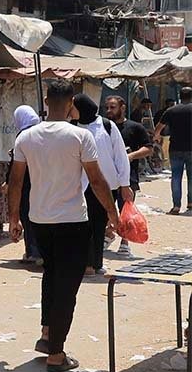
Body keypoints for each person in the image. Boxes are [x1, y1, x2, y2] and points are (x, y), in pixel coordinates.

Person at [8, 79, 118, 372]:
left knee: (51, 276)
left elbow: (16, 181)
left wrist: (13, 219)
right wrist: (113, 214)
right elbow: (96, 181)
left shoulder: (26, 138)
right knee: (67, 286)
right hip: (72, 221)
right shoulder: (80, 137)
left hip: (40, 221)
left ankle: (47, 335)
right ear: (71, 105)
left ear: (46, 102)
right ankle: (56, 355)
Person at [73, 94, 130, 276]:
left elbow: (120, 156)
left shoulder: (107, 126)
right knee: (84, 225)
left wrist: (124, 184)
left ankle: (96, 262)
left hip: (105, 185)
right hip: (80, 186)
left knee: (99, 225)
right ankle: (86, 263)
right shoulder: (72, 127)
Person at [105, 95, 152, 258]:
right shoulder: (105, 127)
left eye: (113, 107)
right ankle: (108, 235)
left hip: (128, 177)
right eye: (107, 108)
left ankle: (124, 242)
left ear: (122, 107)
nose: (109, 111)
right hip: (107, 177)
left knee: (126, 211)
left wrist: (130, 157)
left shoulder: (135, 127)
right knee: (105, 209)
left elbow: (149, 148)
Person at [4, 105, 42, 264]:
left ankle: (33, 252)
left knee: (27, 216)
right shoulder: (42, 132)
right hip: (41, 182)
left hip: (25, 183)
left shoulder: (23, 136)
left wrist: (8, 182)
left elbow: (16, 164)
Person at [156, 87, 192, 214]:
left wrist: (156, 138)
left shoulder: (171, 110)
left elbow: (159, 127)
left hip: (175, 148)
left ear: (180, 96)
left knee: (176, 177)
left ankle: (176, 206)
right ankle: (190, 203)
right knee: (191, 177)